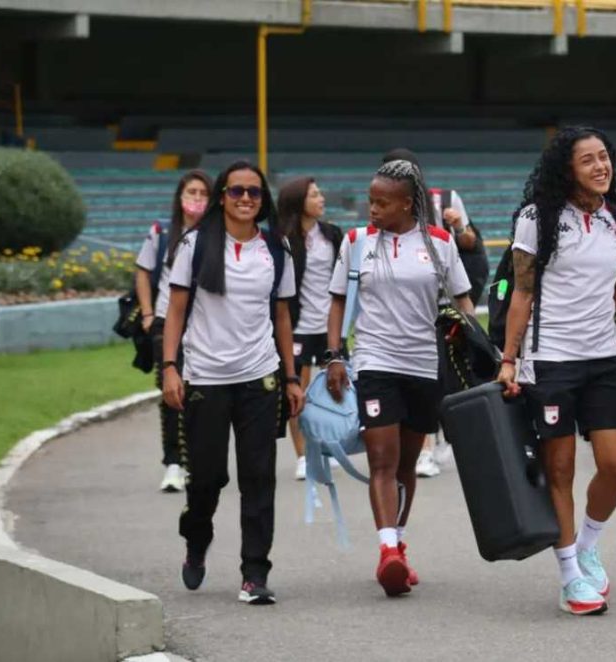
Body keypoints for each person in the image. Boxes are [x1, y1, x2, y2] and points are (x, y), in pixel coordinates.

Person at [496, 126, 616, 616]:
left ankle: (587, 545)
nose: (602, 166)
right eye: (589, 160)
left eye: (605, 157)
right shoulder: (537, 219)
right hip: (552, 359)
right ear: (567, 169)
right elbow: (522, 292)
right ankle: (569, 577)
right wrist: (509, 359)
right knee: (558, 470)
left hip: (604, 357)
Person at [325, 159, 473, 597]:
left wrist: (470, 343)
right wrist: (336, 355)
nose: (372, 209)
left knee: (407, 464)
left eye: (382, 202)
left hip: (425, 366)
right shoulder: (355, 243)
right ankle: (387, 551)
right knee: (382, 459)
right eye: (370, 201)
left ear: (408, 204)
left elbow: (463, 301)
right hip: (375, 361)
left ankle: (399, 545)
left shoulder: (442, 243)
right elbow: (336, 302)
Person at [161, 160, 305, 605]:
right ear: (221, 195)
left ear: (263, 201)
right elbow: (177, 310)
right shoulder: (196, 244)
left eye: (255, 192)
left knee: (259, 477)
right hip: (205, 377)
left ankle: (254, 573)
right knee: (207, 478)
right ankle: (197, 539)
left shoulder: (276, 248)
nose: (246, 198)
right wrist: (170, 366)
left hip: (258, 378)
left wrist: (291, 376)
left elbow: (282, 315)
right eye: (237, 191)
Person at [380, 148, 481, 478]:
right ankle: (422, 448)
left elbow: (468, 242)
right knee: (416, 379)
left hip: (442, 303)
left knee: (441, 377)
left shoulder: (445, 200)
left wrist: (459, 225)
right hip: (403, 306)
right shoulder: (381, 208)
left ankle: (435, 439)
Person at [134, 169, 212, 492]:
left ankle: (199, 460)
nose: (196, 199)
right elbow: (142, 272)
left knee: (203, 394)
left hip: (206, 324)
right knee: (170, 393)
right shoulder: (162, 233)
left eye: (202, 193)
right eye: (190, 192)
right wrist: (149, 314)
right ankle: (173, 462)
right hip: (167, 321)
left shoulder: (216, 234)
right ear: (180, 197)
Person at [276, 176, 344, 481]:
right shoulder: (283, 239)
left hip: (329, 326)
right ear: (298, 201)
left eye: (320, 194)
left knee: (336, 392)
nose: (321, 199)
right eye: (314, 195)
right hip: (299, 326)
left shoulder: (332, 235)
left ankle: (331, 448)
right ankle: (303, 456)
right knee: (297, 392)